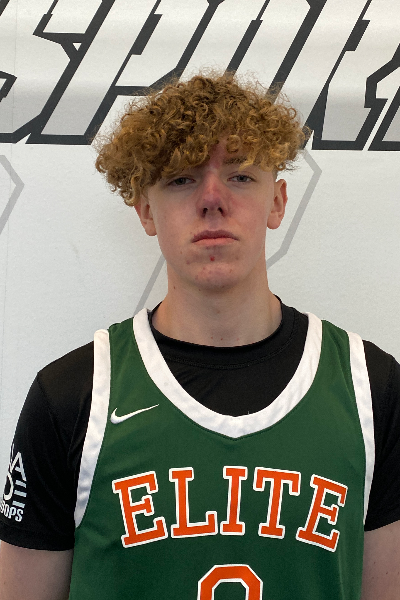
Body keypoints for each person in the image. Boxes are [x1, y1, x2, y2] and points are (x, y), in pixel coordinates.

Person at [0, 72, 399, 600]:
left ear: (277, 202)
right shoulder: (72, 395)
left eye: (240, 176)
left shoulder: (370, 388)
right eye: (181, 179)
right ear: (146, 210)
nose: (212, 199)